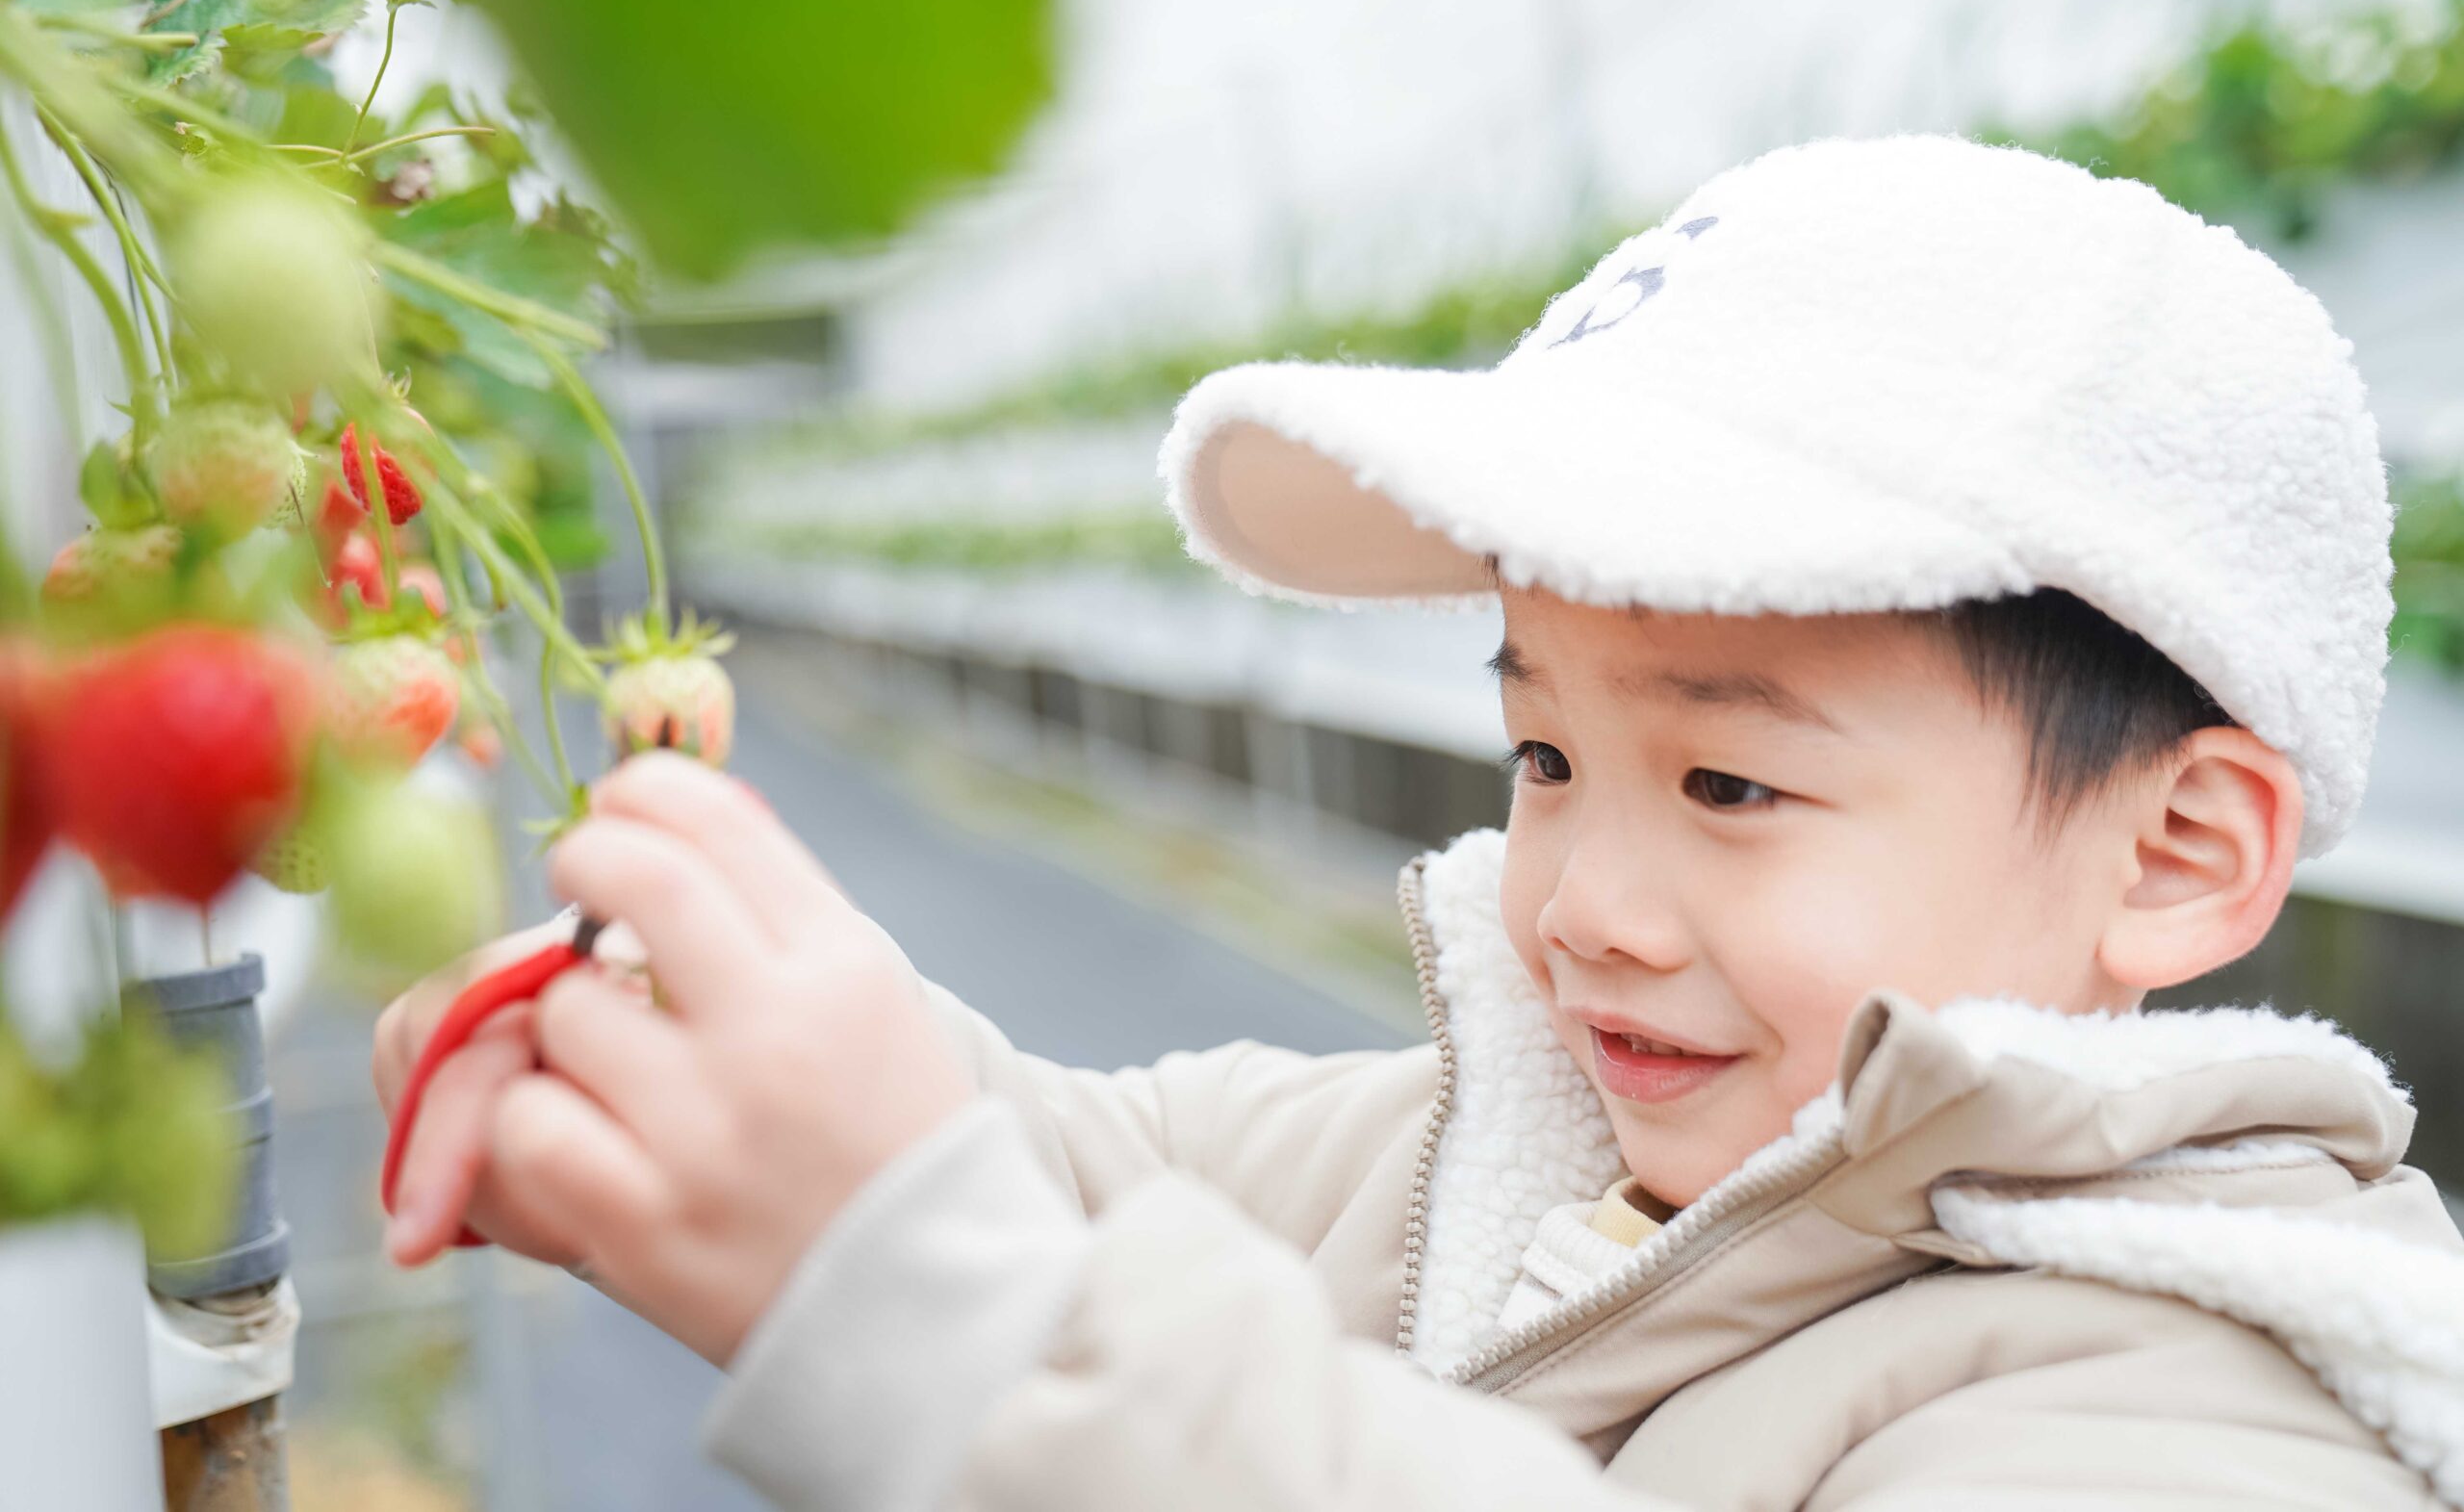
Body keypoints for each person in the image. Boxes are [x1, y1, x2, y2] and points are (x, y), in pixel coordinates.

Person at [372, 133, 2464, 1510]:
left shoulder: (2211, 1391)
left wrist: (957, 1324)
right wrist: (695, 1021)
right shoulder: (1478, 1147)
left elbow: (997, 1259)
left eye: (1727, 780)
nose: (1582, 907)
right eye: (1541, 755)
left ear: (2175, 849)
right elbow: (1066, 1159)